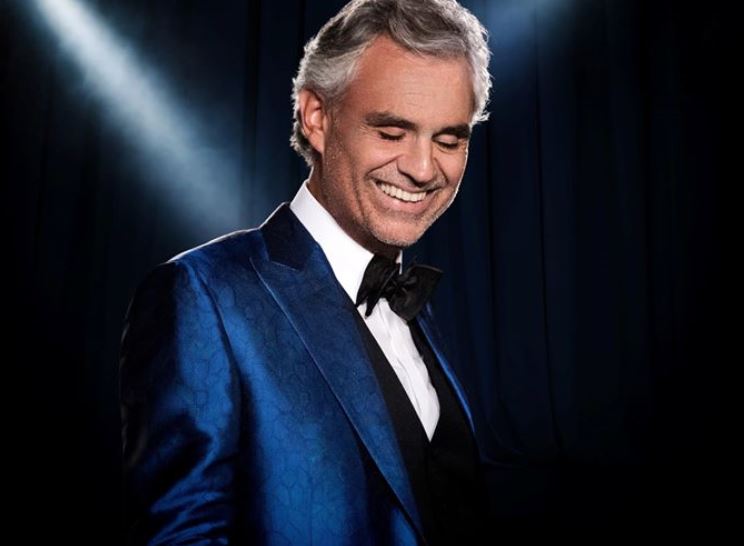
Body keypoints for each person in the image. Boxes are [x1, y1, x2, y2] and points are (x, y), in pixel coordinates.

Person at [119, 0, 493, 544]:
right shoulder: (203, 295)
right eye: (391, 133)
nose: (421, 168)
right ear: (316, 117)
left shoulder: (413, 305)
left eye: (449, 140)